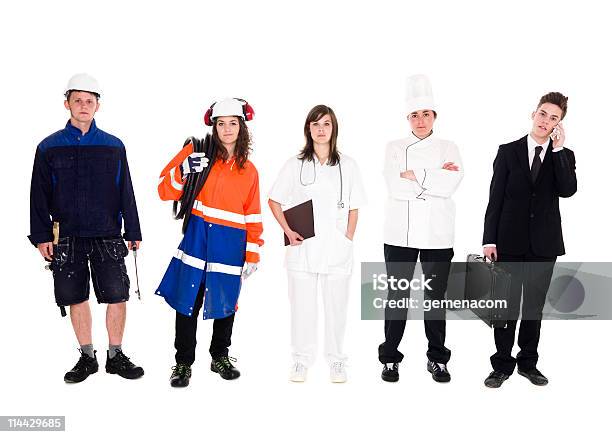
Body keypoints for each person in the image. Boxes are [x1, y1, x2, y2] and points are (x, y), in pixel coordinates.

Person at [28, 73, 144, 383]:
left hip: (107, 233)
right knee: (75, 296)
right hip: (65, 236)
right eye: (77, 100)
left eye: (89, 101)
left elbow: (125, 190)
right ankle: (87, 356)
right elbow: (38, 196)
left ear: (98, 106)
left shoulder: (112, 146)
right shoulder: (49, 147)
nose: (83, 105)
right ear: (67, 104)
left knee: (117, 294)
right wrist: (41, 237)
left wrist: (132, 230)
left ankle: (116, 355)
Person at [156, 98, 263, 388]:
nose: (227, 129)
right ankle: (182, 363)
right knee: (186, 301)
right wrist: (184, 170)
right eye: (221, 123)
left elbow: (252, 214)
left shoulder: (249, 170)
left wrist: (252, 253)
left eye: (233, 123)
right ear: (213, 127)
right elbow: (164, 190)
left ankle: (220, 357)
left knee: (226, 302)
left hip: (230, 245)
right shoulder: (195, 152)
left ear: (242, 127)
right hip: (197, 241)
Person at [482, 92, 577, 388]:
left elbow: (568, 190)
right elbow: (495, 198)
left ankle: (528, 363)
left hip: (543, 245)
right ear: (533, 113)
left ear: (558, 125)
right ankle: (501, 365)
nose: (545, 121)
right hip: (508, 242)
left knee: (533, 307)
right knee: (505, 307)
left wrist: (559, 151)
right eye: (543, 114)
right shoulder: (508, 151)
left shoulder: (564, 156)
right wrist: (489, 240)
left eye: (554, 118)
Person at [378, 75, 463, 383]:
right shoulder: (394, 147)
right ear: (408, 118)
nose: (421, 120)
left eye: (426, 114)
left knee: (434, 299)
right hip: (399, 234)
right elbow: (393, 185)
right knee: (397, 297)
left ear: (435, 116)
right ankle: (389, 358)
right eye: (415, 114)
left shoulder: (449, 146)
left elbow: (452, 182)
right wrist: (434, 178)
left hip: (438, 235)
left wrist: (415, 174)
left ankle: (437, 359)